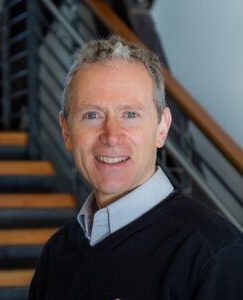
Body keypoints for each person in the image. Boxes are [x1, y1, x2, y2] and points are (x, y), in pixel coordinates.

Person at [29, 35, 243, 300]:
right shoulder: (57, 252)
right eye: (92, 115)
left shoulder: (215, 253)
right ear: (66, 130)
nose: (111, 135)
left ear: (162, 128)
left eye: (130, 114)